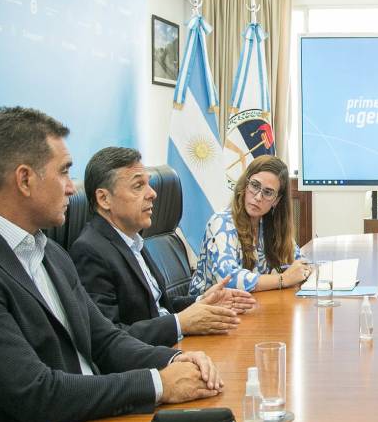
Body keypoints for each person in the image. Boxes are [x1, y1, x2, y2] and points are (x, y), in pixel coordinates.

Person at [0, 107, 221, 422]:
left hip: (96, 421)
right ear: (25, 180)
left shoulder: (52, 253)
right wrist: (157, 383)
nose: (72, 189)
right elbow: (35, 394)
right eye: (64, 172)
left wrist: (175, 359)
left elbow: (105, 340)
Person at [70, 147, 257, 347]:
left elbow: (158, 308)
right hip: (148, 364)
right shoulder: (90, 250)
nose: (152, 193)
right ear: (104, 199)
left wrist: (202, 300)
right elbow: (109, 338)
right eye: (138, 186)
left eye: (148, 184)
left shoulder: (131, 238)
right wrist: (181, 323)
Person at [190, 155, 310, 294]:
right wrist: (282, 279)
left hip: (252, 306)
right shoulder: (222, 223)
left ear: (276, 200)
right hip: (209, 310)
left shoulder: (269, 224)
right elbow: (229, 279)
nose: (258, 197)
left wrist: (301, 270)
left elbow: (298, 263)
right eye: (254, 185)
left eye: (268, 192)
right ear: (245, 185)